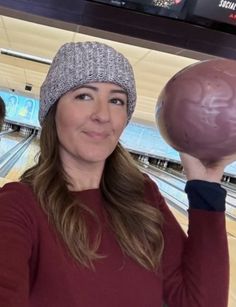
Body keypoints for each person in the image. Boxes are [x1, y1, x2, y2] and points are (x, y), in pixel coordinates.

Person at [0, 41, 232, 307]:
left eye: (116, 100)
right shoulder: (17, 205)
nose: (103, 115)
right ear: (54, 110)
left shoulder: (142, 195)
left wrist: (205, 185)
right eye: (84, 96)